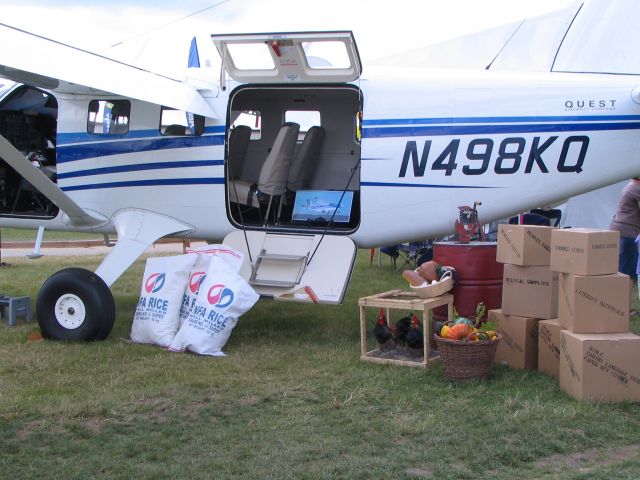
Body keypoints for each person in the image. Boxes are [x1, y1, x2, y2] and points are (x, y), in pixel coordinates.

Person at [609, 178, 640, 314]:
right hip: (627, 233)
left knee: (623, 270)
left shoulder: (631, 185)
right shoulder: (636, 189)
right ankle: (626, 308)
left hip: (620, 231)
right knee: (627, 273)